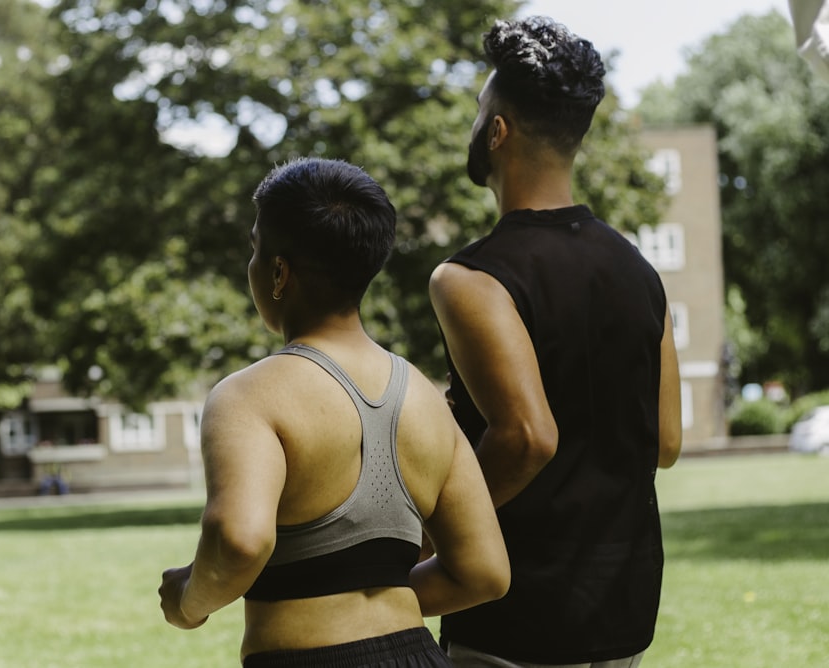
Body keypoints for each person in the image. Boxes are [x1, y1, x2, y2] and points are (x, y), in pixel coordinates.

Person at [159, 157, 511, 667]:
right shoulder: (426, 398)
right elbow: (485, 572)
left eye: (256, 248)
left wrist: (188, 602)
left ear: (279, 272)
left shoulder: (249, 397)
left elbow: (240, 541)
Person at [428, 17, 683, 668]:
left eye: (481, 108)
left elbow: (526, 438)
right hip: (623, 606)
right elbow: (669, 440)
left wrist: (433, 530)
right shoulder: (637, 268)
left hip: (514, 616)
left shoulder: (470, 279)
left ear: (498, 130)